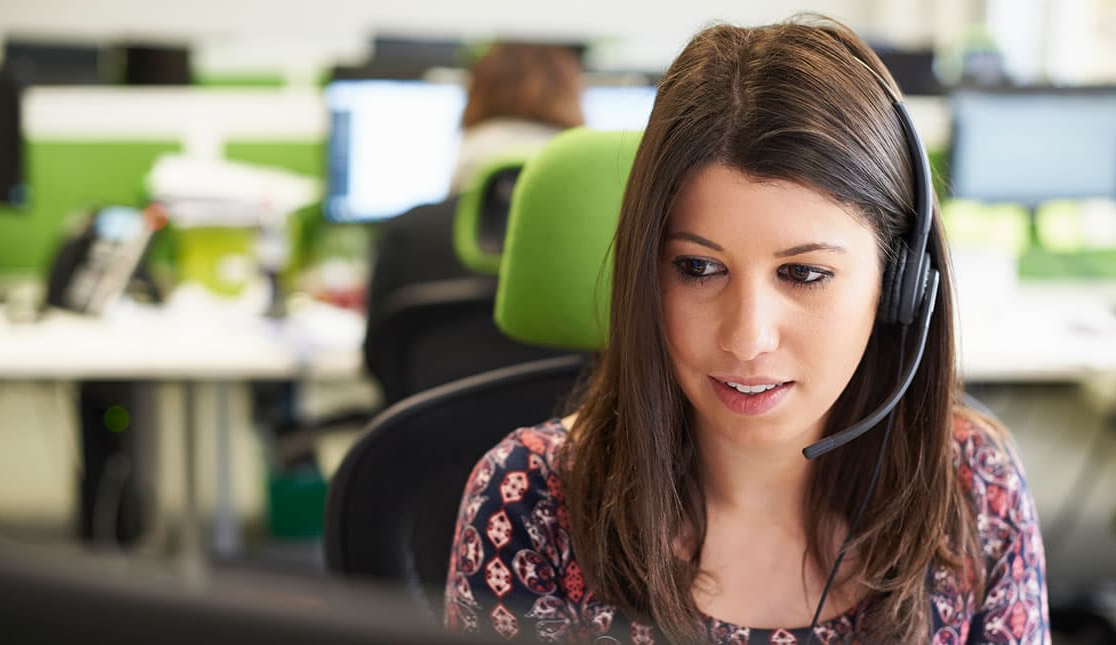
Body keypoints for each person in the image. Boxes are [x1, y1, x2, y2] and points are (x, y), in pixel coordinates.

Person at [443, 15, 1049, 644]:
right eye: (699, 267)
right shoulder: (530, 499)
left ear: (899, 286)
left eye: (804, 273)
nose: (747, 338)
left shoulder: (972, 487)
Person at [365, 42, 585, 311]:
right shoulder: (605, 234)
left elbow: (377, 350)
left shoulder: (407, 235)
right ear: (573, 98)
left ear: (473, 97)